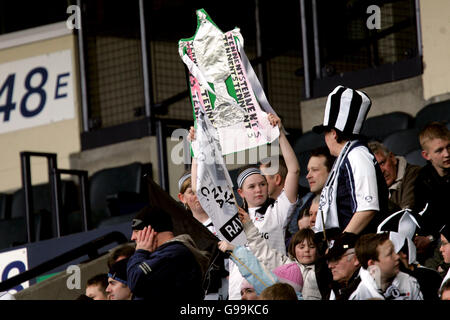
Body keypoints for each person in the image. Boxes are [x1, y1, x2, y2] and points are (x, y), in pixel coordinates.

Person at [312, 85, 389, 239]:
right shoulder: (349, 155)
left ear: (333, 134)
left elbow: (367, 208)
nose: (324, 138)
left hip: (360, 248)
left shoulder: (357, 155)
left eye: (325, 132)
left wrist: (342, 243)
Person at [127, 204, 209, 300]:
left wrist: (140, 252)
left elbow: (136, 281)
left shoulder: (174, 253)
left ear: (151, 231)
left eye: (136, 231)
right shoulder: (165, 252)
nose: (132, 237)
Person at [237, 208, 323, 300]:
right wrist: (248, 225)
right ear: (293, 249)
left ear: (318, 249)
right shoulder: (287, 266)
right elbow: (262, 249)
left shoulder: (324, 269)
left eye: (312, 246)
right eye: (301, 247)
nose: (307, 250)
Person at [177, 170, 229, 300]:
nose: (198, 195)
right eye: (191, 192)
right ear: (182, 198)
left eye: (201, 189)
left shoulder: (226, 220)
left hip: (230, 285)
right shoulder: (182, 234)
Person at [413, 122, 450, 264]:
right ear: (426, 155)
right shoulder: (422, 181)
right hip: (436, 244)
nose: (447, 154)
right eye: (439, 150)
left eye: (449, 147)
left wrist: (430, 238)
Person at [350, 233, 423, 300]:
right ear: (372, 264)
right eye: (390, 254)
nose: (397, 256)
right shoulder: (360, 295)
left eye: (394, 251)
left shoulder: (409, 282)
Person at [287, 147, 335, 240]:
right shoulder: (306, 203)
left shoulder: (341, 202)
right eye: (308, 170)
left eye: (315, 170)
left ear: (331, 172)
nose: (308, 176)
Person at [368, 141, 420, 211]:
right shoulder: (371, 186)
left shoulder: (415, 173)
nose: (381, 172)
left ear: (392, 158)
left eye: (382, 163)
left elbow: (406, 215)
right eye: (375, 169)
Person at [325, 232, 361, 300]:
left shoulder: (368, 287)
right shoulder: (334, 287)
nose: (329, 266)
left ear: (356, 259)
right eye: (328, 261)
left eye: (335, 259)